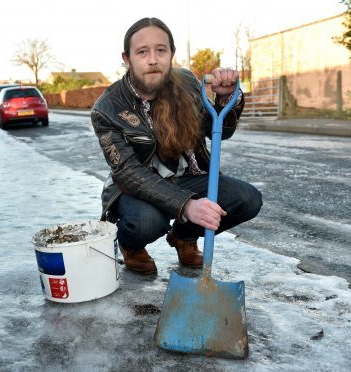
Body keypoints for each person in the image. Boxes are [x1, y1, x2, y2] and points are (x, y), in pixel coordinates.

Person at [90, 17, 263, 275]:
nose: (153, 59)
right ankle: (132, 246)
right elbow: (128, 172)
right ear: (127, 59)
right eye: (142, 52)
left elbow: (220, 132)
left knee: (247, 199)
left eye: (161, 50)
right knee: (148, 221)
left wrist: (227, 98)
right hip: (137, 187)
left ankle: (183, 236)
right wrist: (187, 205)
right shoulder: (107, 108)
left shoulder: (188, 83)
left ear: (171, 53)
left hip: (188, 177)